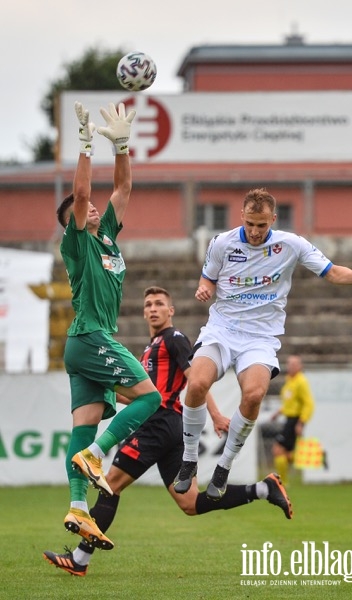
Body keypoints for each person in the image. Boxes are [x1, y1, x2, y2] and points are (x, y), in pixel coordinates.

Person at [43, 286, 292, 577]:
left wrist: (214, 414)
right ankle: (263, 489)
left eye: (159, 303)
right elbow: (135, 395)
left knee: (110, 484)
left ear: (170, 311)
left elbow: (195, 380)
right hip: (170, 428)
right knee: (190, 503)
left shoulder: (173, 339)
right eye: (148, 304)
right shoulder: (151, 347)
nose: (153, 308)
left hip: (159, 424)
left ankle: (80, 559)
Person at [173, 187, 352, 501]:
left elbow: (331, 272)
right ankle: (189, 459)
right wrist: (204, 288)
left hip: (260, 336)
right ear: (242, 217)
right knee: (196, 383)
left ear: (273, 219)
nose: (255, 231)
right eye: (250, 223)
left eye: (262, 225)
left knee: (255, 394)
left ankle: (224, 466)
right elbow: (207, 277)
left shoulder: (291, 244)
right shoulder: (222, 243)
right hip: (222, 329)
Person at [55, 101, 162, 551]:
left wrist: (121, 145)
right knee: (151, 397)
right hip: (91, 336)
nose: (93, 208)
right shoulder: (78, 241)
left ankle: (78, 509)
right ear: (71, 225)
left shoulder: (107, 237)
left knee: (83, 426)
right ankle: (97, 455)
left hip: (81, 347)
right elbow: (81, 197)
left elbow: (122, 187)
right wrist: (85, 146)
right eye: (83, 210)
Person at [271, 355, 315, 486]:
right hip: (289, 419)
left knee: (278, 450)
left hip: (294, 420)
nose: (290, 366)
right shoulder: (290, 381)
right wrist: (278, 412)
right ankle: (284, 480)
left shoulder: (301, 382)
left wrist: (301, 422)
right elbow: (290, 403)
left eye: (294, 364)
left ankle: (283, 482)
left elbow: (309, 404)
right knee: (286, 453)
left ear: (300, 366)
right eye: (289, 364)